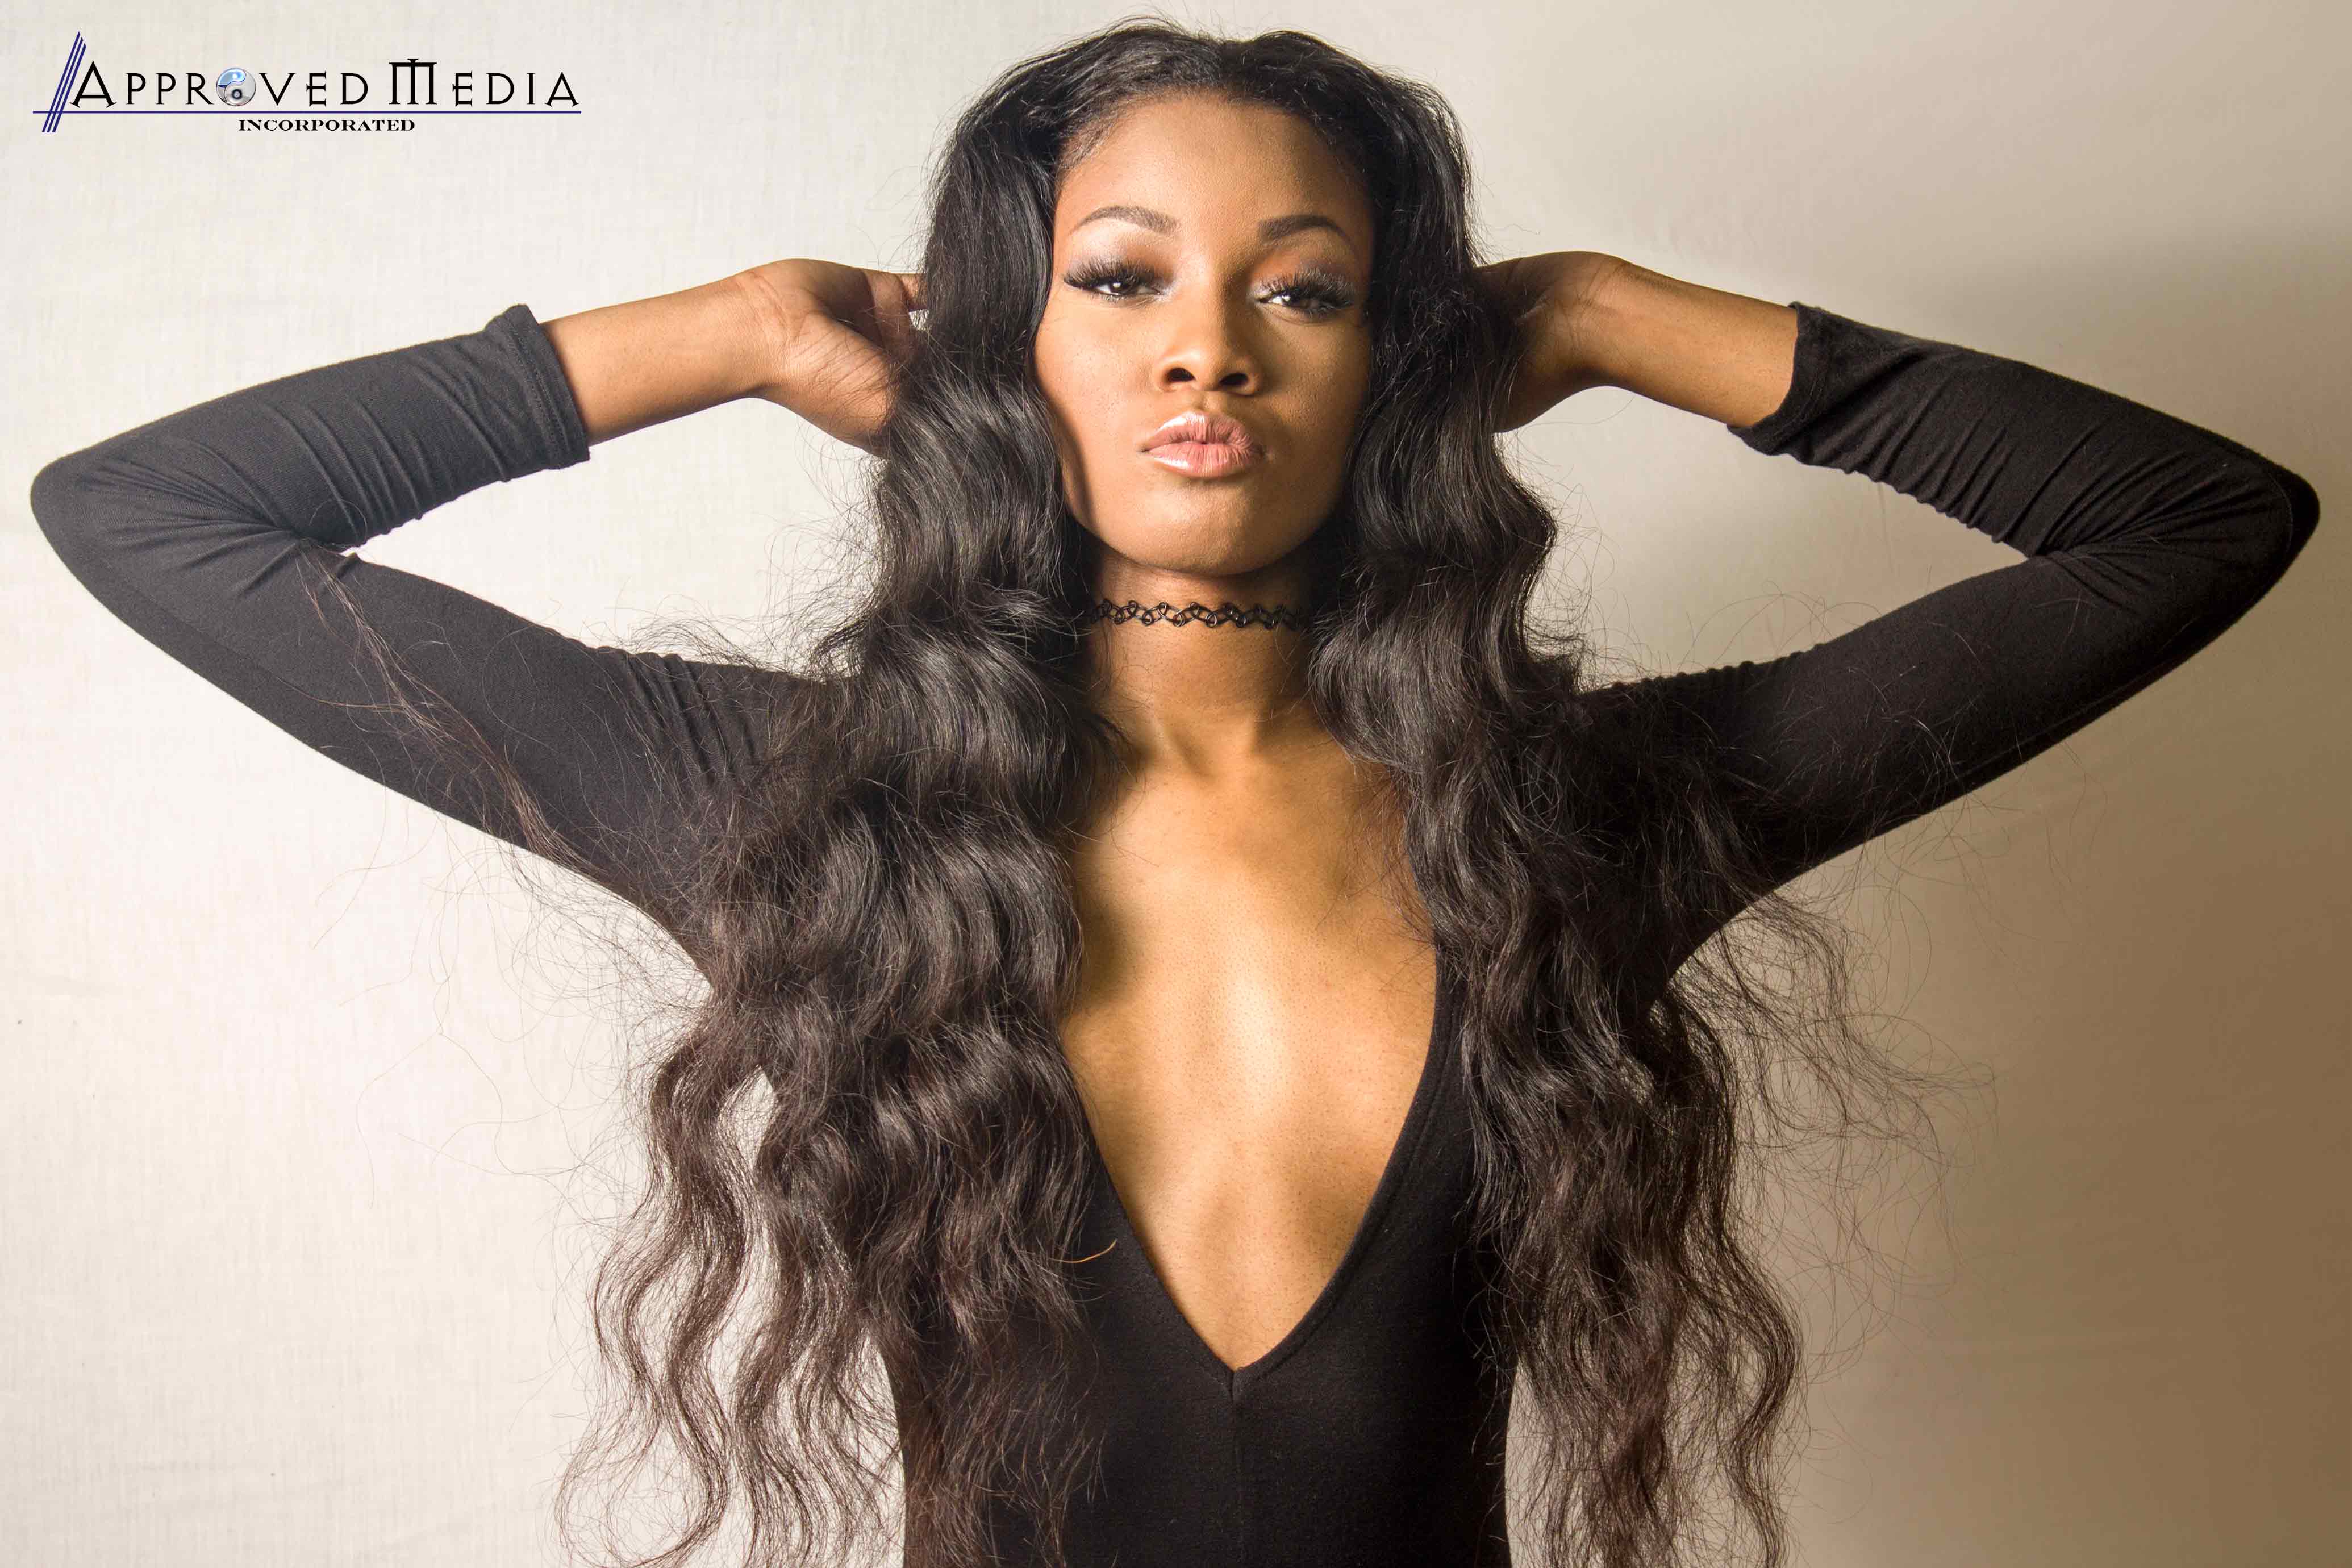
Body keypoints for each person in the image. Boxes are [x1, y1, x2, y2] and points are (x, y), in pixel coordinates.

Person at [28, 20, 2318, 1568]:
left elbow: (2198, 524)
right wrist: (720, 335)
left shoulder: (1581, 818)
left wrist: (1612, 314)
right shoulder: (795, 811)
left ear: (1397, 362)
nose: (1207, 342)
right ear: (1005, 345)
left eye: (1303, 293)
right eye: (1120, 280)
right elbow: (150, 517)